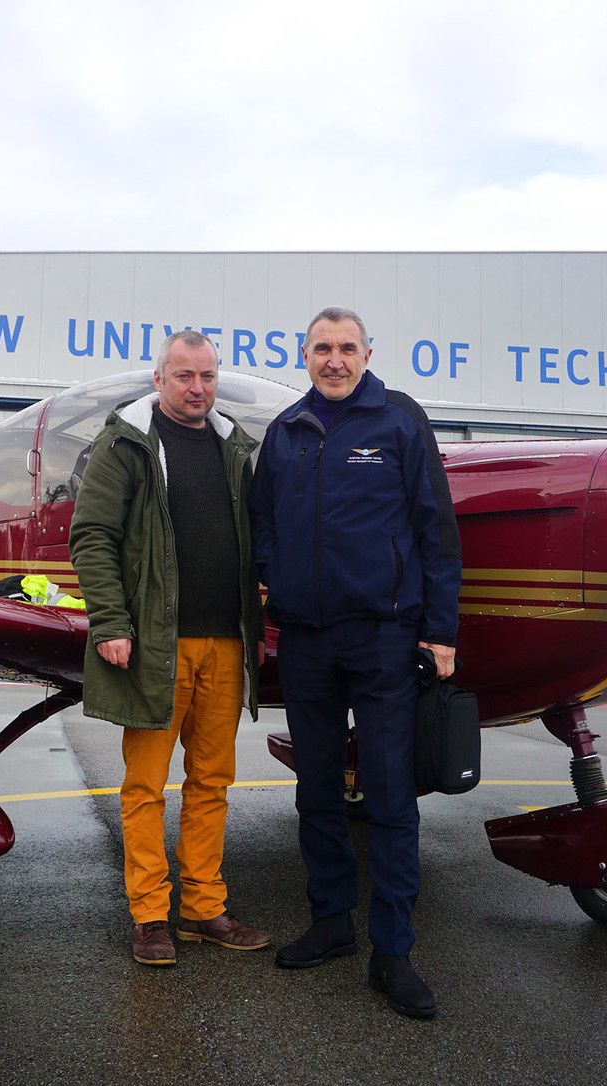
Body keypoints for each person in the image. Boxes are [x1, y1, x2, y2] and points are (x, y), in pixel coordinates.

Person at [249, 306, 461, 1018]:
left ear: (368, 353)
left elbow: (435, 529)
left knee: (392, 797)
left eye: (346, 348)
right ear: (303, 354)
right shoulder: (286, 431)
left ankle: (392, 952)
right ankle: (331, 921)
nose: (334, 360)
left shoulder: (399, 420)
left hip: (382, 637)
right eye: (322, 348)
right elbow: (263, 521)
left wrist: (439, 631)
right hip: (306, 639)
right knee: (316, 791)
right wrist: (273, 576)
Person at [69, 330, 270, 966]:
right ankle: (150, 915)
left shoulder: (233, 447)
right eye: (184, 376)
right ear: (159, 380)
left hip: (225, 644)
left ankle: (203, 908)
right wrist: (111, 623)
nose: (197, 388)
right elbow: (92, 535)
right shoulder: (126, 442)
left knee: (212, 782)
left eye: (207, 376)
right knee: (146, 785)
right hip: (158, 645)